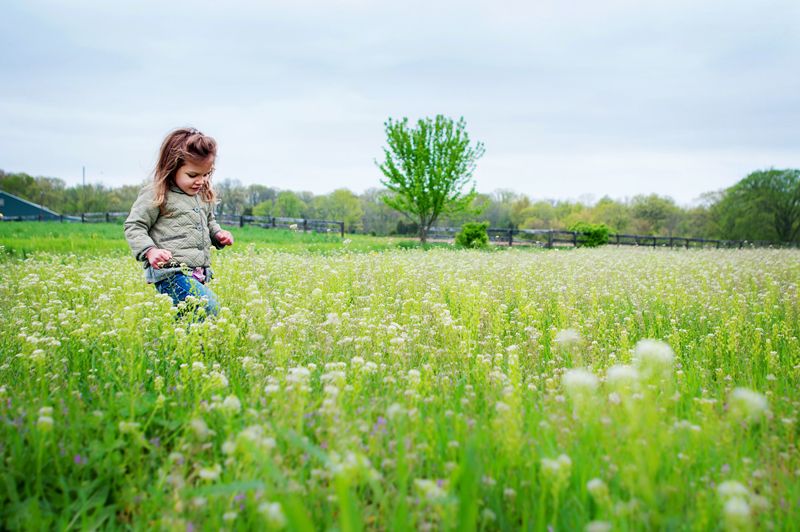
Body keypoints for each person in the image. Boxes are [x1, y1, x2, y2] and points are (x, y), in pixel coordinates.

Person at [124, 127, 233, 317]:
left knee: (190, 322)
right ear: (172, 167)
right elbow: (134, 226)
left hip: (197, 272)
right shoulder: (158, 194)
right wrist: (150, 251)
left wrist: (218, 234)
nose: (200, 181)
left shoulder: (201, 194)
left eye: (206, 174)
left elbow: (209, 221)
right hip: (170, 273)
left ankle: (175, 347)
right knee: (209, 306)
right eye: (193, 175)